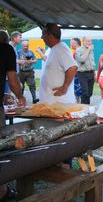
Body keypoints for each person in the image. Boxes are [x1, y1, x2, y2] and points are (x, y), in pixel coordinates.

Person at [0, 29, 26, 201]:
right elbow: (13, 79)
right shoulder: (6, 50)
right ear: (7, 40)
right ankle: (1, 191)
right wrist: (20, 96)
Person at [39, 23, 78, 104]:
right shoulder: (54, 49)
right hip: (52, 102)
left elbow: (72, 67)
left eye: (43, 35)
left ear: (50, 36)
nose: (42, 37)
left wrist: (65, 87)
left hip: (60, 102)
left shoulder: (61, 48)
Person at [75, 36, 95, 104]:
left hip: (91, 73)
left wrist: (94, 74)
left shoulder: (91, 50)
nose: (89, 43)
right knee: (85, 93)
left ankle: (87, 107)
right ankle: (84, 109)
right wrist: (88, 50)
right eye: (87, 41)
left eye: (90, 41)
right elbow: (82, 60)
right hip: (82, 73)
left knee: (90, 93)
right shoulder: (79, 50)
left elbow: (92, 62)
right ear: (83, 41)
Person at [71, 38, 82, 103]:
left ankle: (79, 105)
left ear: (76, 43)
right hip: (80, 74)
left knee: (78, 93)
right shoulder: (81, 50)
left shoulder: (76, 52)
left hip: (78, 74)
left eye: (71, 43)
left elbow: (75, 65)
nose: (71, 44)